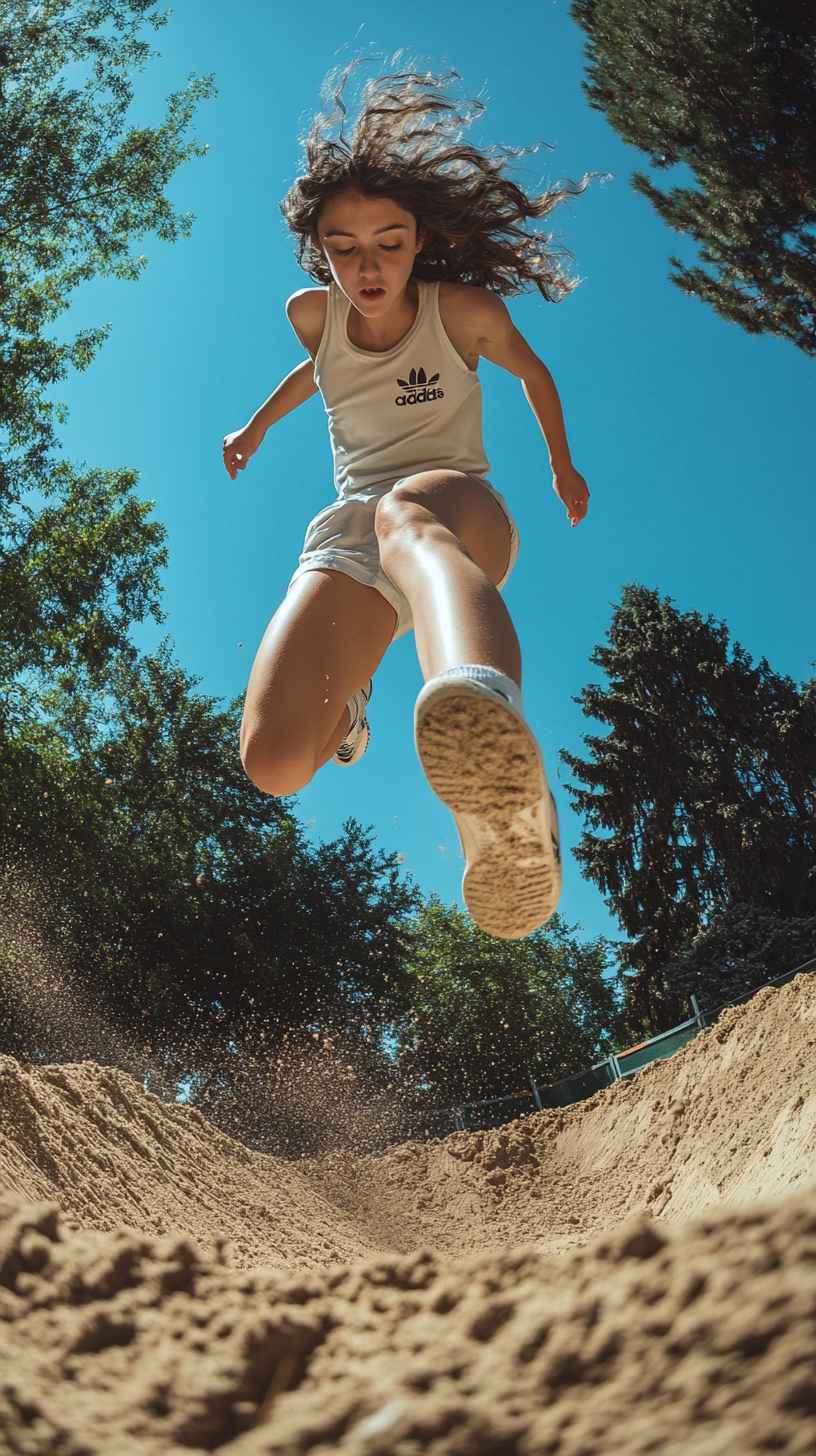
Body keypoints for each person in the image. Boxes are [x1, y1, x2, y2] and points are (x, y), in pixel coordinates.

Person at [224, 59, 592, 941]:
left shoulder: (459, 310)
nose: (368, 265)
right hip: (352, 534)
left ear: (418, 239)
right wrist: (254, 428)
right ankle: (352, 708)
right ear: (323, 255)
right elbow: (311, 377)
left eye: (388, 242)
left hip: (454, 509)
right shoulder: (313, 319)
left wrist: (562, 465)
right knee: (274, 762)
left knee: (403, 515)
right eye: (345, 249)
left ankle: (502, 791)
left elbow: (534, 373)